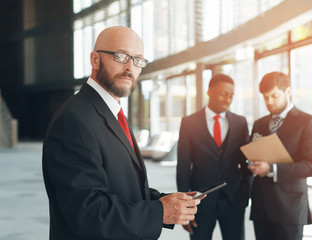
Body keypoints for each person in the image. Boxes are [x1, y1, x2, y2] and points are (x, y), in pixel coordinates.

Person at [42, 26, 202, 240]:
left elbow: (121, 188)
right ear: (95, 60)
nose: (130, 67)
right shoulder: (74, 120)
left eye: (138, 60)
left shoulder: (112, 113)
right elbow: (88, 212)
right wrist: (160, 212)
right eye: (121, 56)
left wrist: (166, 201)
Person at [247, 71, 312, 240]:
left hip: (290, 208)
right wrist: (252, 164)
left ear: (287, 92)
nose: (269, 102)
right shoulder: (259, 124)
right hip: (261, 207)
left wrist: (272, 169)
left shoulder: (308, 122)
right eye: (265, 97)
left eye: (274, 96)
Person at [176, 73, 252, 240]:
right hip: (201, 202)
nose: (228, 100)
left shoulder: (240, 123)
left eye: (231, 96)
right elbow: (183, 166)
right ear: (209, 92)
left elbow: (246, 160)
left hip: (234, 200)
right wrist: (184, 206)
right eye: (223, 94)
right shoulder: (189, 123)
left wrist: (246, 192)